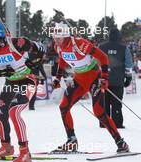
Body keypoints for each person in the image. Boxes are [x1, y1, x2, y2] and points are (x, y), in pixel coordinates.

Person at [51, 22, 129, 153]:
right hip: (79, 80)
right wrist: (57, 78)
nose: (56, 41)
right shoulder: (58, 47)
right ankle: (71, 140)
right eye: (54, 38)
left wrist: (104, 77)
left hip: (94, 78)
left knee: (99, 112)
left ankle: (120, 142)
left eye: (58, 38)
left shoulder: (80, 43)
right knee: (63, 107)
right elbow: (62, 59)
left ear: (65, 36)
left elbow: (103, 57)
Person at [0, 22, 45, 162]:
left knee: (14, 111)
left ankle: (25, 152)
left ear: (1, 37)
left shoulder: (17, 43)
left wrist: (32, 64)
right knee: (1, 114)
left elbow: (41, 49)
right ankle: (6, 147)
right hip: (11, 83)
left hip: (28, 81)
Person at [99, 28, 133, 128]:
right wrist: (128, 77)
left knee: (104, 103)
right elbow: (128, 64)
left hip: (103, 80)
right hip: (118, 81)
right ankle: (117, 123)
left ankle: (104, 123)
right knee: (116, 103)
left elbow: (95, 62)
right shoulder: (124, 48)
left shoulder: (101, 47)